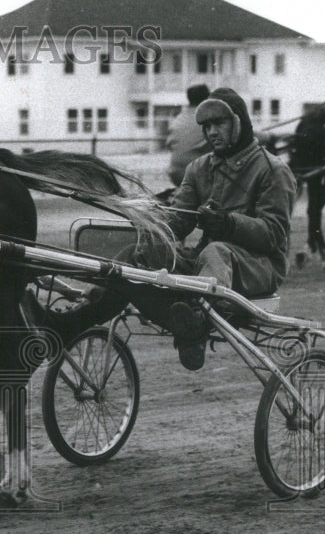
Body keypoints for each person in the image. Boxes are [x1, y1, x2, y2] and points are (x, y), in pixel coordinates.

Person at [43, 87, 297, 371]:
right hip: (211, 268)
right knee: (135, 256)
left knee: (215, 250)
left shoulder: (272, 170)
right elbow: (177, 223)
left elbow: (274, 235)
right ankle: (71, 324)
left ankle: (196, 320)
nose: (212, 132)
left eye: (219, 124)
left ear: (238, 123)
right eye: (207, 126)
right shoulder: (199, 168)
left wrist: (229, 223)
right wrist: (146, 217)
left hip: (258, 267)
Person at [165, 83, 212, 186]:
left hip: (176, 174)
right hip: (198, 175)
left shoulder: (179, 118)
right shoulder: (208, 119)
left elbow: (169, 145)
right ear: (208, 98)